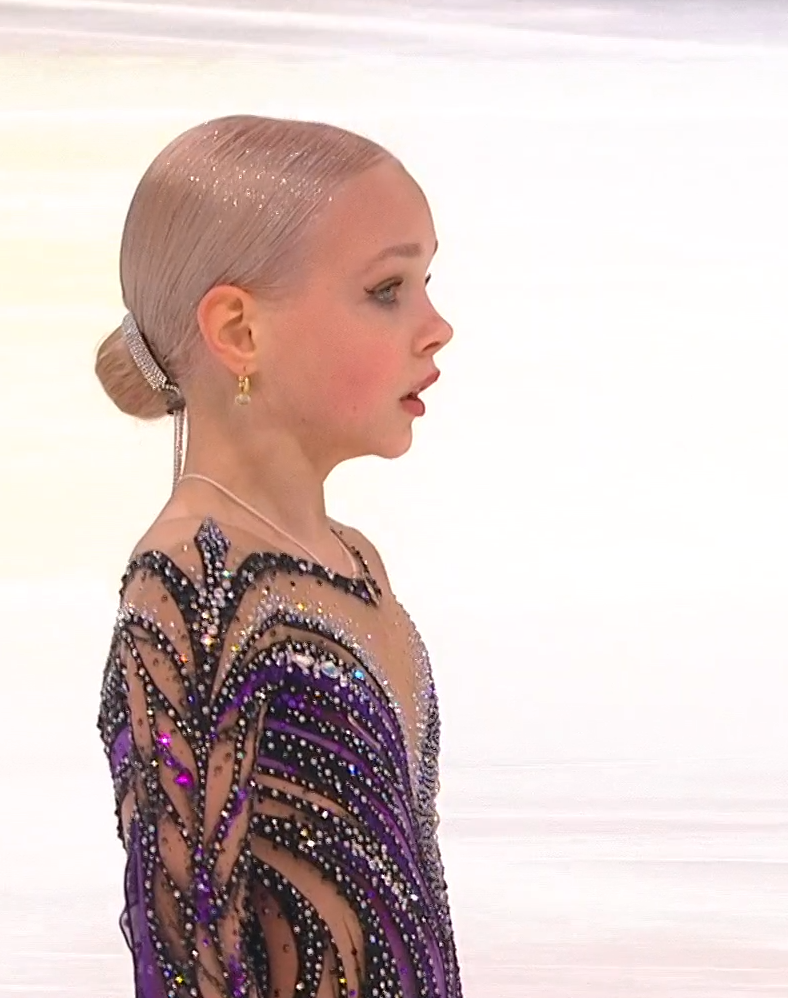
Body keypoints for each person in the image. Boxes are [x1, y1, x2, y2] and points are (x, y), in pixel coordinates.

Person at [95, 114, 462, 998]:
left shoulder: (354, 562)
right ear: (239, 330)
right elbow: (184, 954)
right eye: (387, 289)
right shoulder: (189, 585)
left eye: (427, 283)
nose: (437, 326)